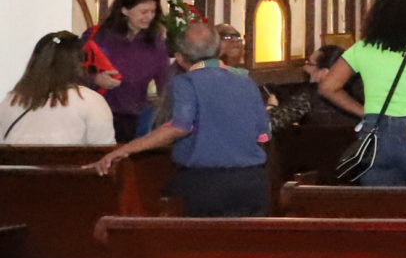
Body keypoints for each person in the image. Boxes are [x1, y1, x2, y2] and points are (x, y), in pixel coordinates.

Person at [91, 20, 271, 215]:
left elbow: (179, 126)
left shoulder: (185, 83)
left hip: (205, 185)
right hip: (252, 183)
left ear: (180, 58)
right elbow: (263, 135)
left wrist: (124, 150)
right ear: (219, 51)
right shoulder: (246, 83)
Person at [315, 0, 406, 185]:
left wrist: (365, 112)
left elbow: (327, 87)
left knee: (382, 205)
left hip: (375, 133)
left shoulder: (361, 49)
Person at [84, 0, 171, 142]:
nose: (149, 17)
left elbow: (164, 80)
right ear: (124, 10)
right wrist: (95, 78)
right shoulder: (98, 36)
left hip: (135, 118)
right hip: (97, 114)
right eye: (144, 12)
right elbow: (72, 70)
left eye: (153, 12)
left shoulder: (155, 42)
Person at [2, 31, 115, 146]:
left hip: (14, 163)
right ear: (78, 63)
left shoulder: (11, 100)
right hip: (67, 164)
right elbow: (105, 154)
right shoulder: (90, 101)